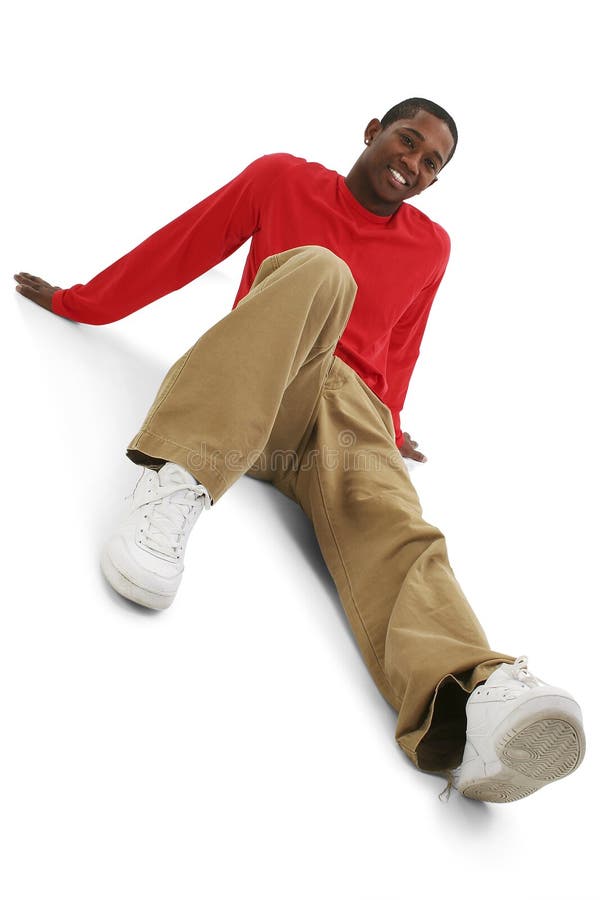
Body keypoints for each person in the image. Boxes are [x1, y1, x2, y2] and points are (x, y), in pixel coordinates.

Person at [14, 98, 586, 803]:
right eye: (406, 142)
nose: (412, 164)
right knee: (324, 270)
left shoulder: (431, 246)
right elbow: (184, 245)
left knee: (400, 529)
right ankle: (178, 473)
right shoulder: (282, 179)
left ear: (436, 182)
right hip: (266, 388)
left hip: (346, 426)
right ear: (373, 131)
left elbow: (399, 346)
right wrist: (82, 303)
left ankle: (469, 701)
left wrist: (391, 424)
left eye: (430, 162)